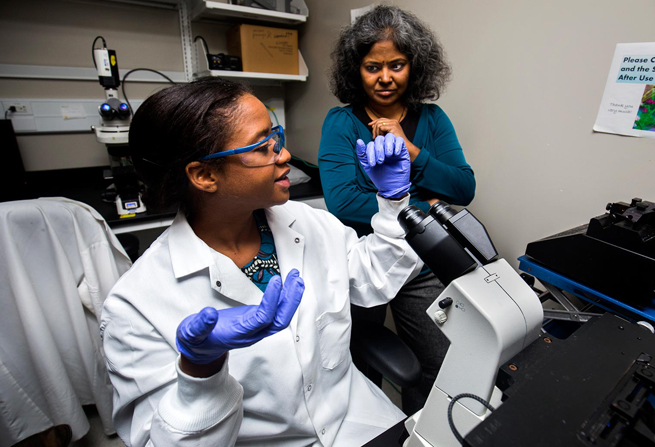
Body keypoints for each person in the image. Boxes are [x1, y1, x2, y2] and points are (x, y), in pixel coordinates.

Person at [100, 77, 423, 447]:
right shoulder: (134, 306)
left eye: (277, 136)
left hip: (359, 422)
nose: (284, 155)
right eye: (262, 146)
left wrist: (394, 198)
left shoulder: (309, 222)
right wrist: (200, 370)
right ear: (204, 175)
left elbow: (373, 279)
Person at [318, 5, 476, 415]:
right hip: (361, 261)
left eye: (397, 65)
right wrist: (428, 203)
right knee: (357, 363)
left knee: (438, 365)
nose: (385, 78)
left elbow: (464, 187)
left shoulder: (433, 120)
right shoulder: (341, 123)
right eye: (373, 67)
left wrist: (412, 152)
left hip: (421, 265)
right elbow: (342, 202)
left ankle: (420, 432)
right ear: (356, 70)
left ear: (415, 66)